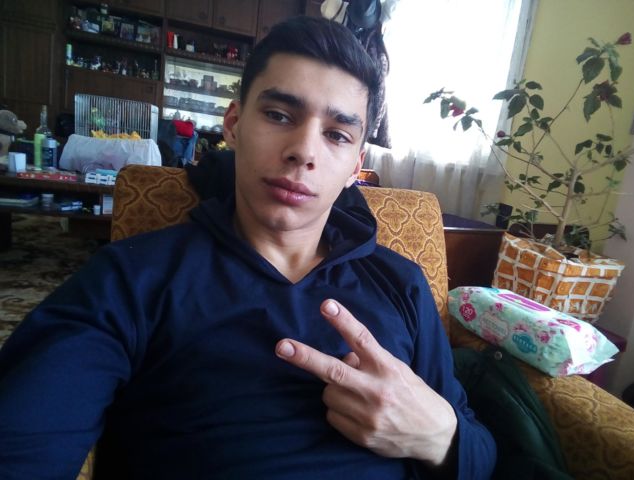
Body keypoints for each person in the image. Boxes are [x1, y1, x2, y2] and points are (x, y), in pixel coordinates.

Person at [0, 16, 496, 479]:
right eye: (279, 115)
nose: (304, 151)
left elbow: (479, 450)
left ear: (355, 166)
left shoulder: (401, 284)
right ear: (233, 125)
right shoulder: (133, 278)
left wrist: (442, 438)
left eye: (337, 135)